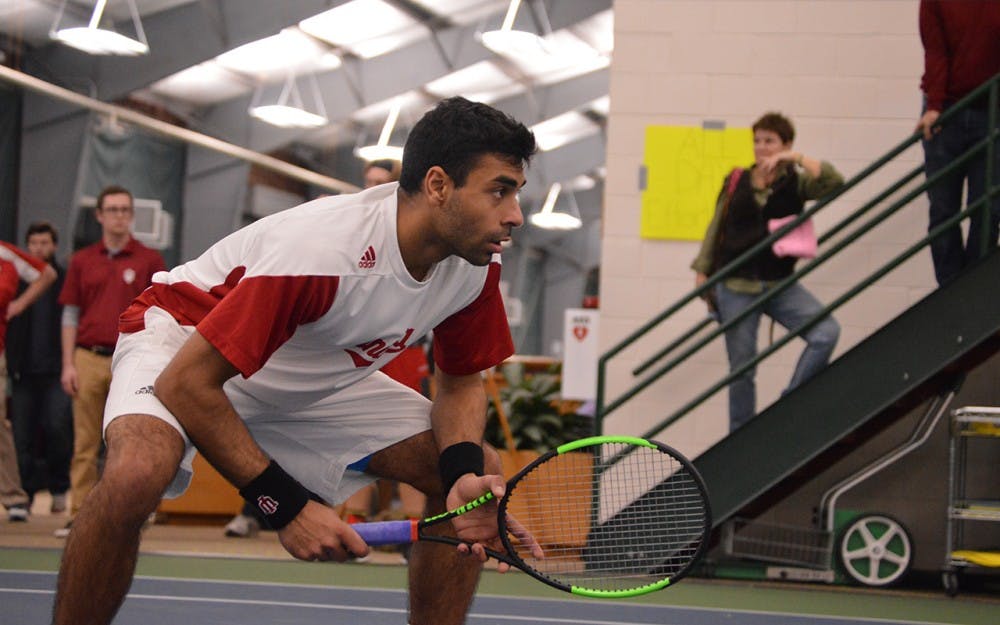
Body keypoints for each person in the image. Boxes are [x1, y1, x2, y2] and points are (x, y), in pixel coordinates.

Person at [51, 96, 536, 625]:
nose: (514, 214)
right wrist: (284, 506)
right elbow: (187, 384)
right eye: (499, 191)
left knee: (471, 470)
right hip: (183, 344)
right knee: (136, 474)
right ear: (439, 186)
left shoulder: (475, 263)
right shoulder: (324, 253)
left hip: (308, 371)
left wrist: (461, 472)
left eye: (516, 192)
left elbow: (461, 384)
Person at [691, 112, 843, 432]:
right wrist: (703, 272)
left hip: (779, 282)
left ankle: (790, 402)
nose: (761, 147)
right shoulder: (736, 179)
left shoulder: (795, 181)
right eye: (757, 140)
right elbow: (716, 225)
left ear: (786, 144)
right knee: (742, 369)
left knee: (826, 332)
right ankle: (741, 435)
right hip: (735, 284)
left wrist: (796, 159)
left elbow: (833, 181)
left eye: (770, 141)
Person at [57, 185, 166, 536]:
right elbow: (70, 315)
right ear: (100, 216)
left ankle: (133, 515)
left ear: (131, 215)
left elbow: (162, 312)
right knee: (85, 443)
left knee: (134, 438)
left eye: (124, 210)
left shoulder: (150, 260)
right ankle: (80, 516)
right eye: (112, 210)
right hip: (88, 357)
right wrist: (68, 364)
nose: (119, 215)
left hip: (133, 361)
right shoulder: (81, 261)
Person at [917, 1, 1000, 287]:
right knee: (943, 211)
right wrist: (936, 105)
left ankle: (973, 290)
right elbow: (936, 50)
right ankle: (951, 292)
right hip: (946, 110)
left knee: (988, 209)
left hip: (992, 110)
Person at [8, 222, 73, 516]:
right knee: (22, 436)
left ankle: (59, 487)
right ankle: (27, 494)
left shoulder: (63, 279)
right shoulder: (17, 282)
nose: (39, 248)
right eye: (33, 243)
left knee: (57, 428)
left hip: (57, 371)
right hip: (23, 371)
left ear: (54, 245)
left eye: (44, 243)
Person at [0, 237, 58, 521]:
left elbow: (46, 275)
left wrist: (19, 304)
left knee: (0, 425)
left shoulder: (7, 256)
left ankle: (13, 498)